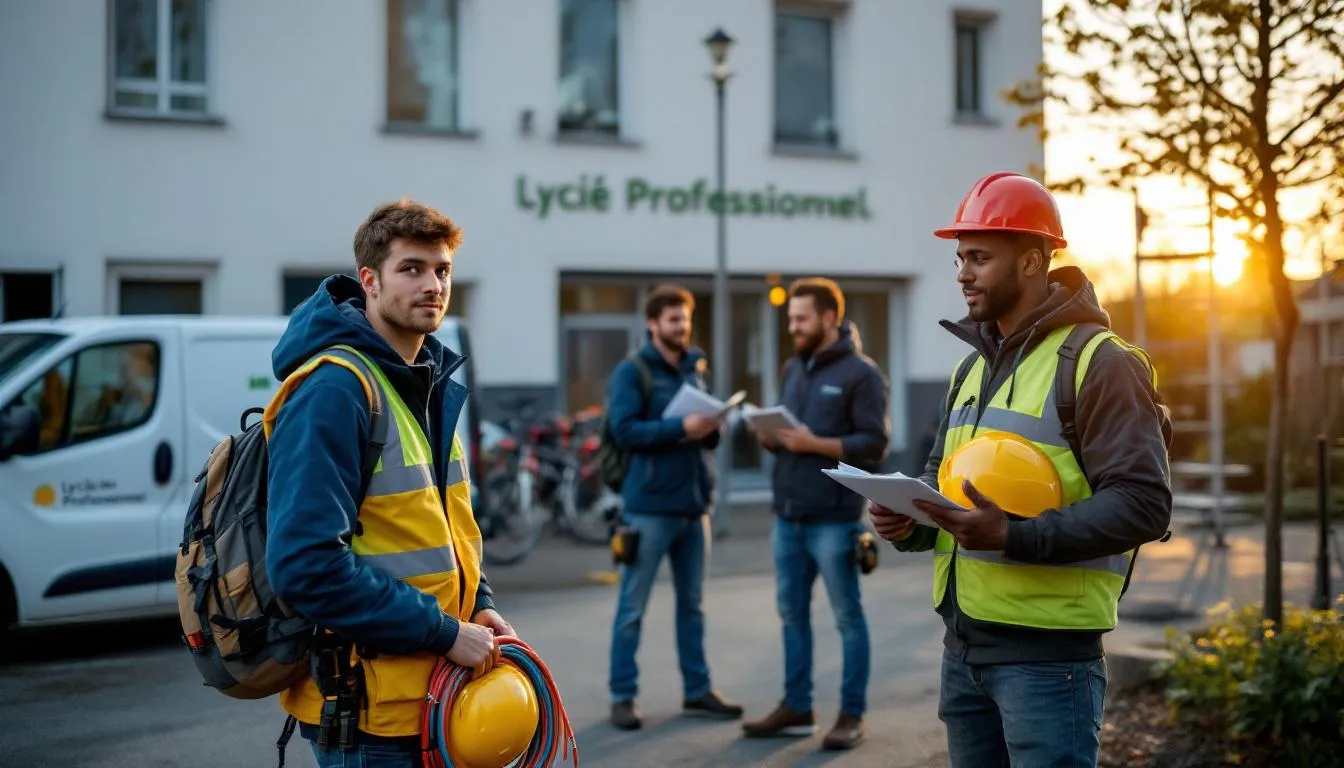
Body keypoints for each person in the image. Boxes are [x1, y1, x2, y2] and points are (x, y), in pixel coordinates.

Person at [868, 171, 1172, 768]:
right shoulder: (970, 371)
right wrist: (911, 520)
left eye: (979, 258)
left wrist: (1013, 535)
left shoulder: (1100, 364)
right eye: (960, 258)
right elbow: (943, 485)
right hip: (964, 651)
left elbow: (1144, 503)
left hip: (1049, 665)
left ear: (1033, 261)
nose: (962, 274)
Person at [265, 199, 512, 768]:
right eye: (412, 268)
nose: (433, 284)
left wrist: (479, 604)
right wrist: (443, 632)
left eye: (442, 270)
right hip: (370, 717)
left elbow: (437, 528)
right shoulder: (336, 389)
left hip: (432, 699)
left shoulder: (426, 381)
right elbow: (306, 566)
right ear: (370, 281)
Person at [742, 277, 890, 750]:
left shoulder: (862, 374)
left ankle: (852, 715)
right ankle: (797, 707)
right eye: (791, 319)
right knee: (791, 615)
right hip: (788, 516)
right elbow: (788, 430)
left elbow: (875, 444)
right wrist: (770, 436)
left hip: (835, 520)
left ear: (830, 318)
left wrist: (814, 444)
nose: (794, 327)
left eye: (802, 318)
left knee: (848, 618)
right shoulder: (794, 367)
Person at [605, 283, 743, 730]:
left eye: (685, 319)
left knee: (693, 606)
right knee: (632, 607)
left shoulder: (692, 369)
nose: (682, 327)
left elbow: (705, 436)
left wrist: (711, 427)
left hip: (693, 505)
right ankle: (623, 696)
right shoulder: (633, 372)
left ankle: (698, 691)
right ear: (653, 324)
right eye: (673, 320)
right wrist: (678, 425)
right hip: (647, 508)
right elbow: (624, 431)